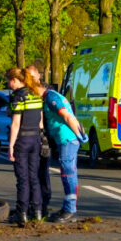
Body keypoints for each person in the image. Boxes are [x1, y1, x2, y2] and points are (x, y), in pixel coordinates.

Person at [32, 83, 89, 223]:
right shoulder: (51, 96)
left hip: (67, 139)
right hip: (66, 139)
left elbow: (67, 116)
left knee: (68, 173)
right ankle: (68, 208)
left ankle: (70, 210)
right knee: (68, 172)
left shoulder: (51, 97)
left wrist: (79, 134)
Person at [7, 68, 44, 226]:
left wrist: (10, 145)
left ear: (15, 80)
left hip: (22, 139)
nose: (9, 84)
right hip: (35, 138)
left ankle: (22, 213)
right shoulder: (35, 93)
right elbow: (40, 120)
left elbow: (16, 123)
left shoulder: (18, 96)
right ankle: (37, 211)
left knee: (22, 179)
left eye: (9, 81)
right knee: (34, 177)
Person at [25, 61, 52, 218]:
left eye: (32, 76)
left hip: (44, 136)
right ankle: (31, 205)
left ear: (39, 76)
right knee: (29, 174)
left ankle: (44, 205)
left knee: (42, 173)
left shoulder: (47, 91)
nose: (30, 79)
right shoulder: (25, 92)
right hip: (29, 136)